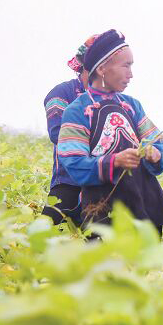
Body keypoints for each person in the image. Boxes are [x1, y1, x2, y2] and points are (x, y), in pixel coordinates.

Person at [57, 29, 163, 233]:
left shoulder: (132, 106)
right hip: (103, 208)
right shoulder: (77, 111)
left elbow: (156, 140)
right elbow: (74, 162)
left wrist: (153, 152)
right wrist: (114, 161)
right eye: (126, 65)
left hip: (145, 202)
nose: (131, 73)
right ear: (102, 68)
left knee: (144, 264)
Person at [41, 34, 97, 226]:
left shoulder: (111, 100)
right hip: (68, 182)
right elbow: (57, 132)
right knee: (44, 234)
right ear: (86, 66)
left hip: (101, 185)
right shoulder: (61, 93)